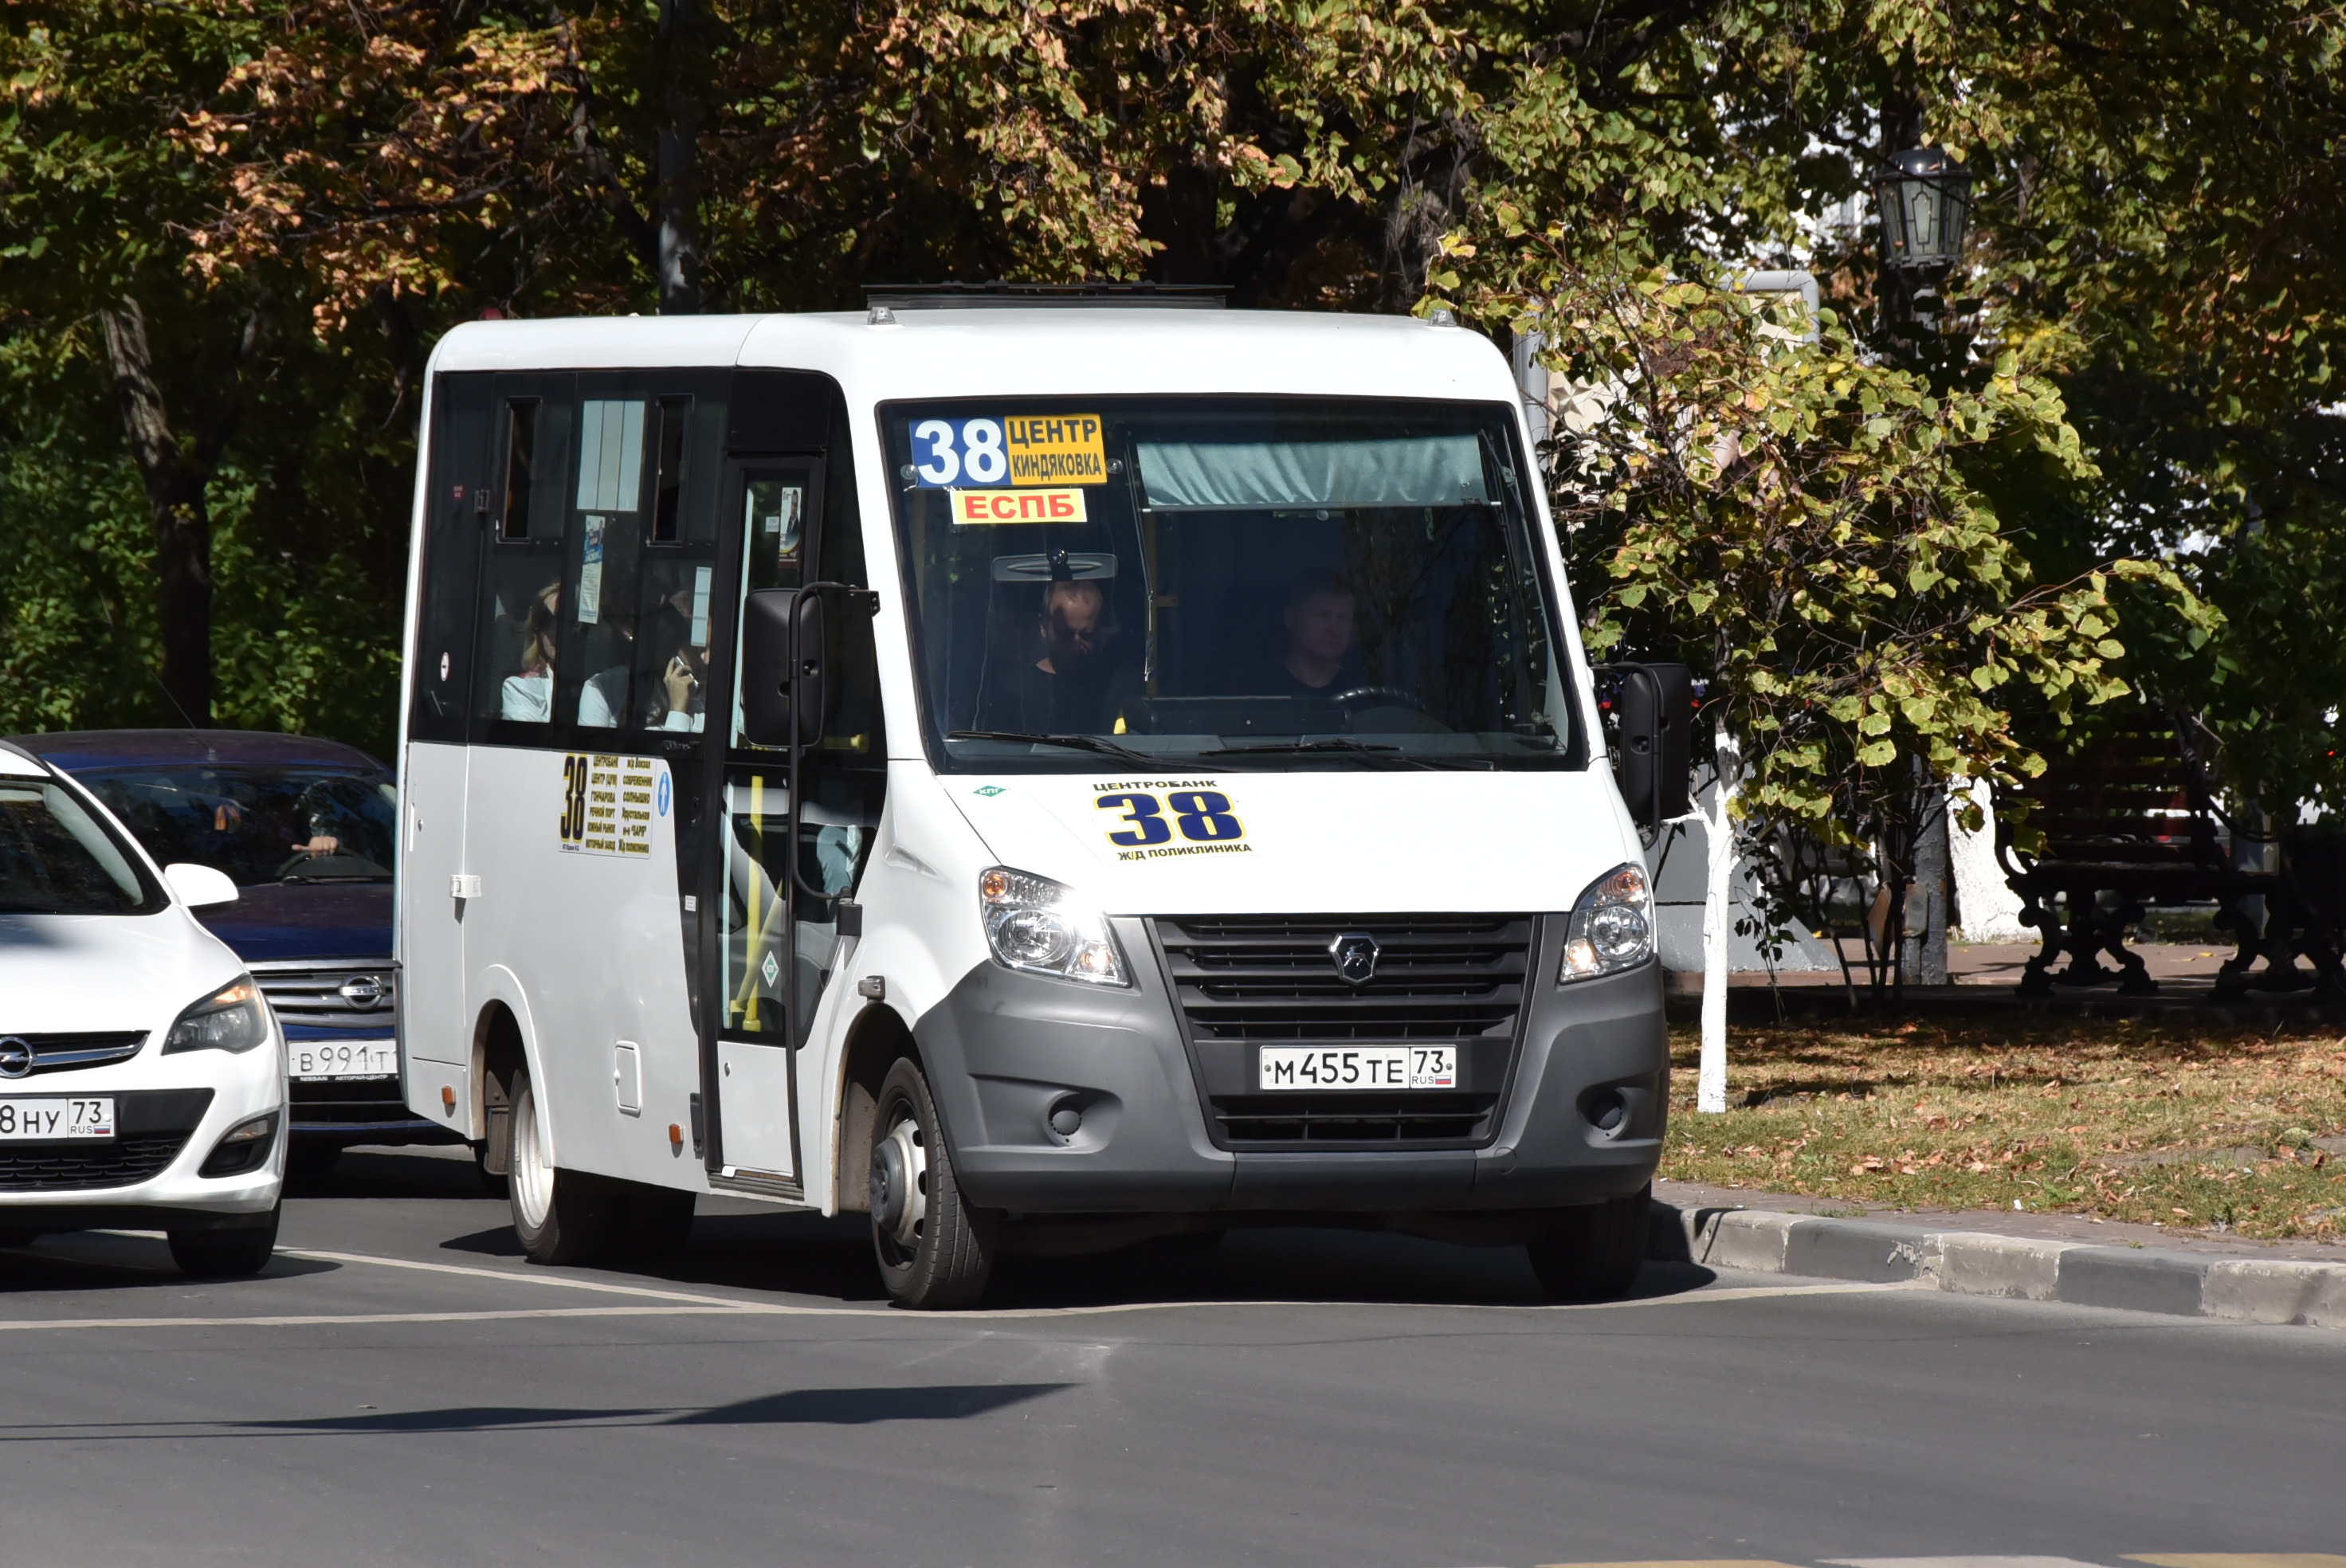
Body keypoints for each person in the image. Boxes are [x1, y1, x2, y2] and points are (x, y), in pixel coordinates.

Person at [976, 577, 1135, 734]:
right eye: (1065, 634)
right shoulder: (1017, 691)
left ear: (1101, 630)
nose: (1075, 644)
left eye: (1087, 634)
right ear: (1044, 626)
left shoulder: (1113, 686)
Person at [1258, 570, 1367, 699]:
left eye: (1343, 617)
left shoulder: (1369, 686)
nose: (1334, 629)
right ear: (1291, 619)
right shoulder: (1260, 688)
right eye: (1323, 615)